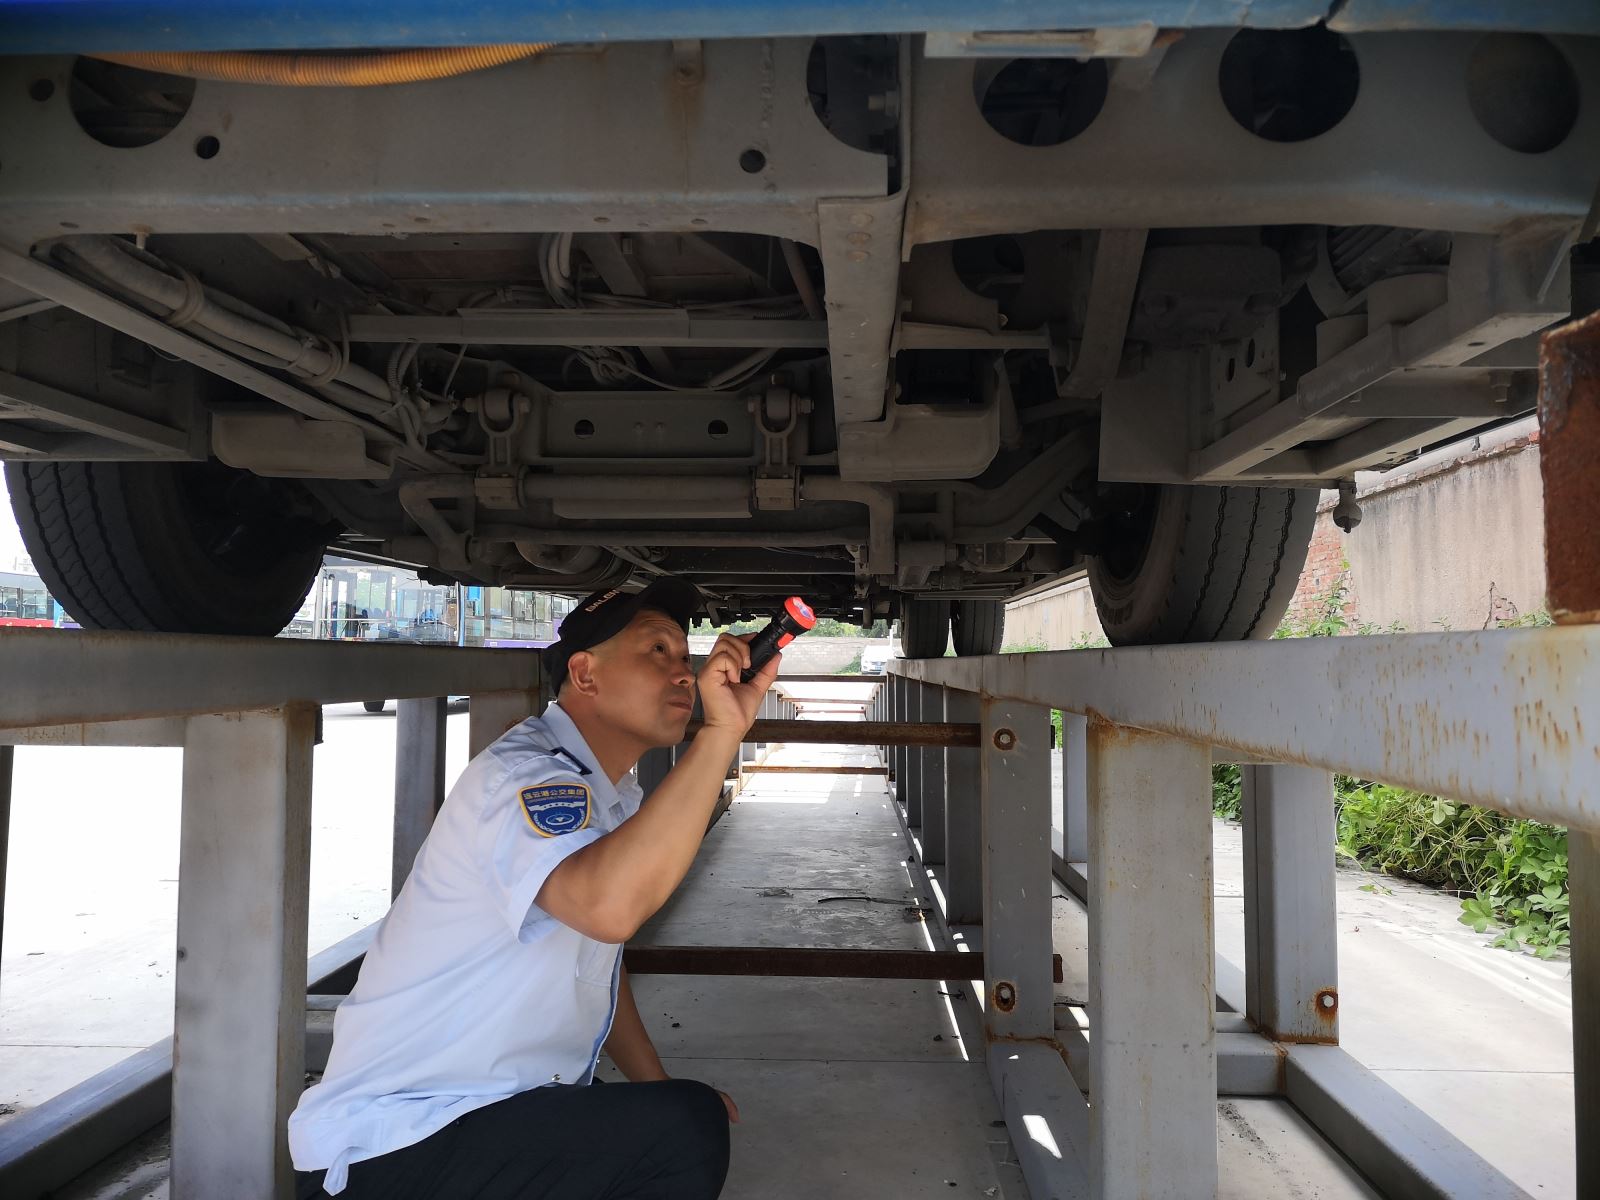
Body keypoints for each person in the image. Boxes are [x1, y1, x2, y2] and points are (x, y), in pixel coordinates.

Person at [289, 577, 778, 1199]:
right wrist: (720, 735)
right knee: (684, 1130)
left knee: (663, 1118)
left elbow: (597, 968)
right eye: (658, 650)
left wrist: (655, 1086)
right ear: (585, 673)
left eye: (685, 655)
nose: (685, 673)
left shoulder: (607, 792)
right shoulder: (529, 777)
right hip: (394, 1140)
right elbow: (608, 910)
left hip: (469, 1113)